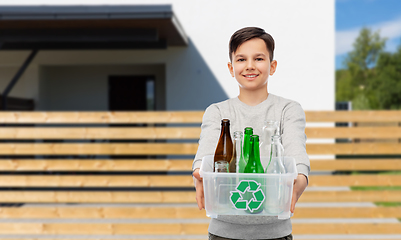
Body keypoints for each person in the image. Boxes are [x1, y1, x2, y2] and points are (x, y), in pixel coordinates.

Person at [191, 27, 310, 240]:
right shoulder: (217, 112)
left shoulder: (287, 110)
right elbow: (207, 152)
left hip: (275, 234)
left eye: (259, 58)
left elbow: (296, 151)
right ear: (231, 67)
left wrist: (299, 178)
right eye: (241, 59)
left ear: (272, 66)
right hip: (223, 233)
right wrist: (199, 172)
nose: (250, 66)